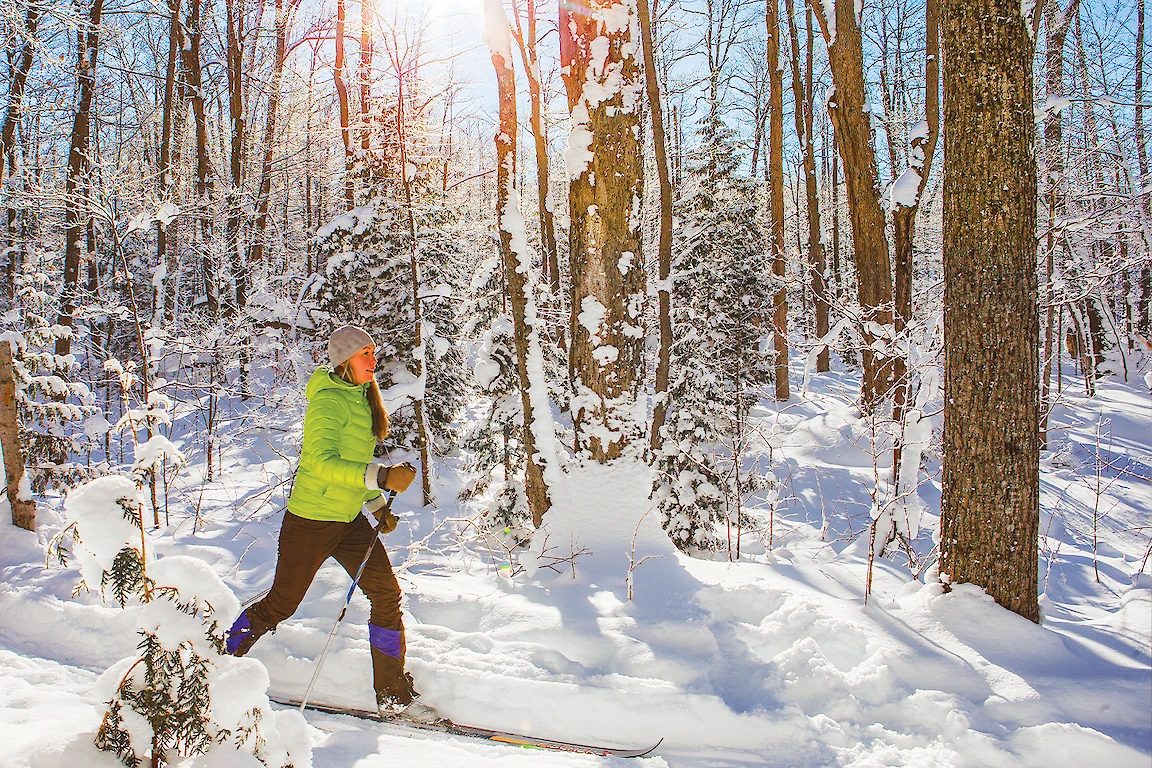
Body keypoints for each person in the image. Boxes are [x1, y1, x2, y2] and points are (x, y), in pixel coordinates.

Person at [225, 325, 438, 722]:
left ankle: (392, 694)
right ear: (344, 361)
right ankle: (218, 658)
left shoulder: (361, 399)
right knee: (281, 605)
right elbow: (321, 465)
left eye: (374, 353)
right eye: (366, 355)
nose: (374, 361)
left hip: (347, 520)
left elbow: (351, 470)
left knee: (386, 596)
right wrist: (381, 477)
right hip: (310, 522)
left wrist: (376, 506)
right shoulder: (327, 402)